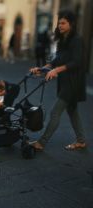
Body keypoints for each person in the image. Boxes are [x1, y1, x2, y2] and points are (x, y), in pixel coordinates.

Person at [30, 10, 87, 151]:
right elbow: (56, 61)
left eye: (63, 23)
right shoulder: (63, 40)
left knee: (55, 112)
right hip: (65, 82)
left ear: (71, 24)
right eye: (59, 23)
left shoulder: (77, 40)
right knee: (72, 111)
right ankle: (81, 141)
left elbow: (77, 62)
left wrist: (55, 70)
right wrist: (42, 69)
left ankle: (41, 143)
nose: (60, 25)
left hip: (73, 83)